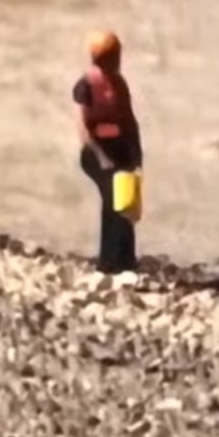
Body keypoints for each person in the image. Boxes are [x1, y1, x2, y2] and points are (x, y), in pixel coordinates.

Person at [72, 29, 142, 275]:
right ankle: (108, 261)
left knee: (126, 202)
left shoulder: (119, 83)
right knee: (113, 201)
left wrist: (137, 152)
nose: (117, 60)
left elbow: (128, 119)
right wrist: (101, 157)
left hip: (121, 149)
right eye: (113, 55)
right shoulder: (87, 85)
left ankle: (126, 259)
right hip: (96, 152)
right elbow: (83, 126)